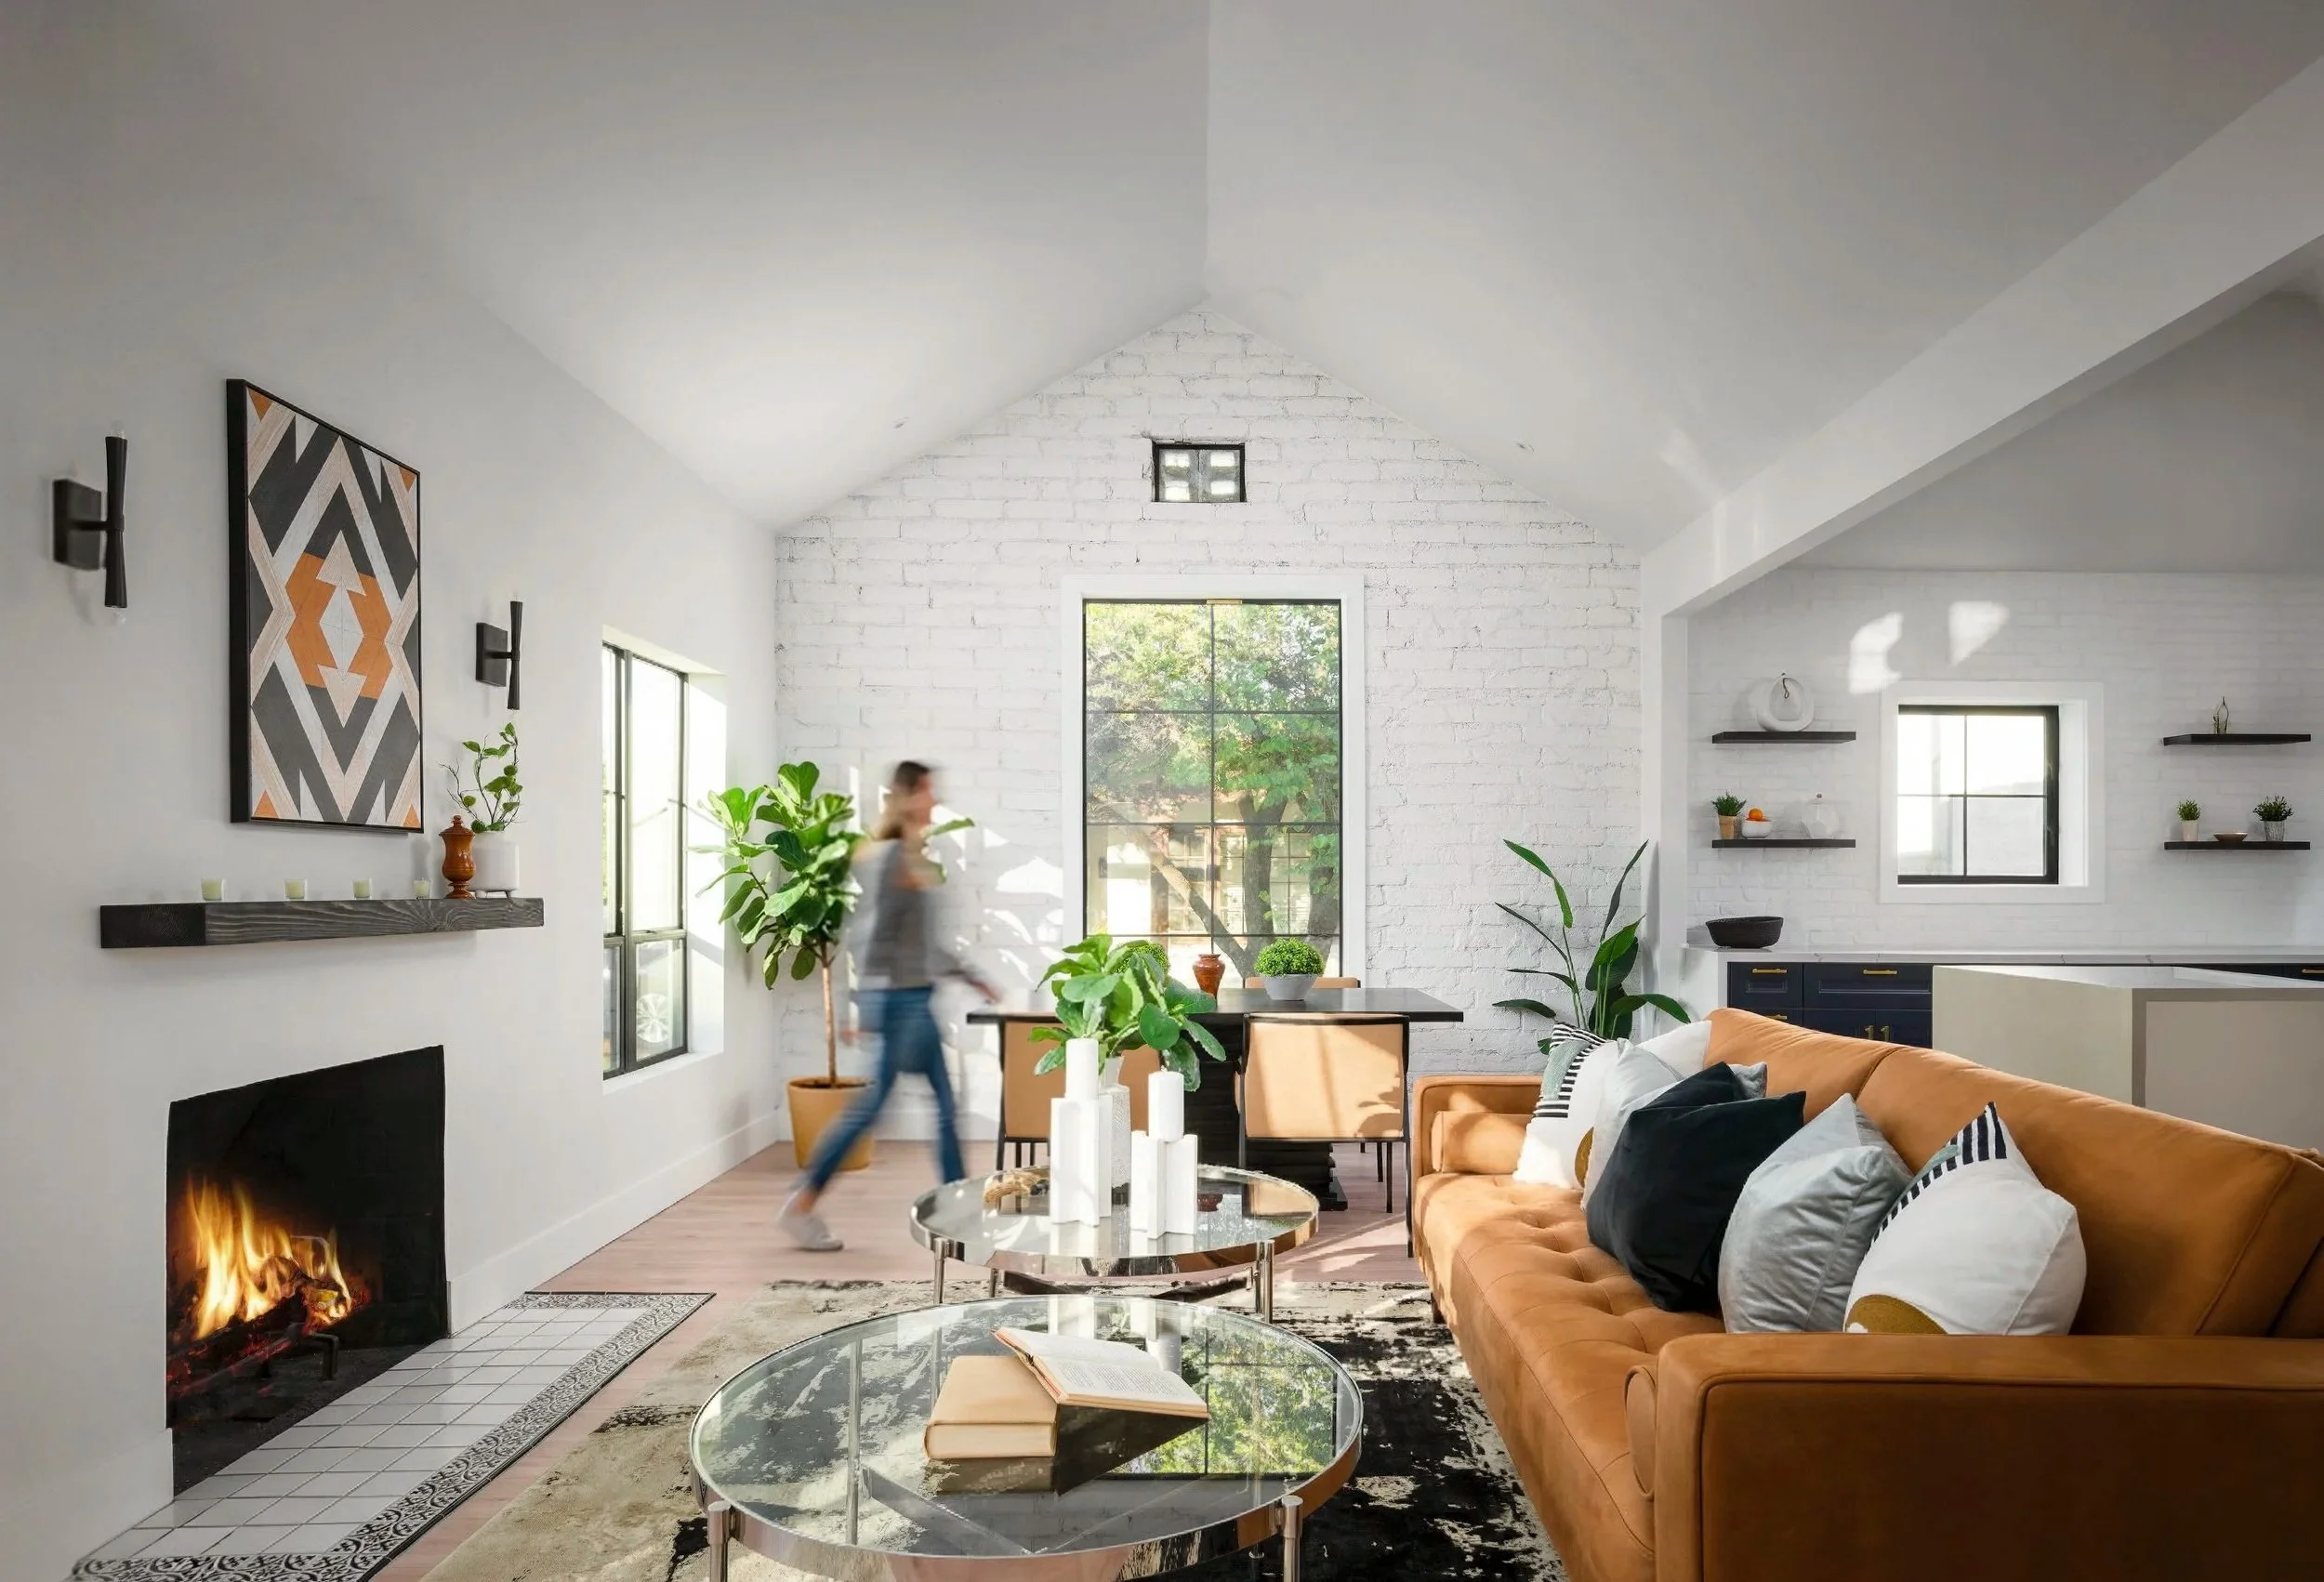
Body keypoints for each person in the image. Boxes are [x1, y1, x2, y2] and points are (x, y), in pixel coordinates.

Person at [778, 760, 995, 1252]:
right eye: (928, 792)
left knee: (921, 1108)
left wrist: (972, 976)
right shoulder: (890, 858)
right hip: (900, 1005)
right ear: (909, 796)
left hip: (914, 999)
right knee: (894, 1110)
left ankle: (956, 1211)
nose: (936, 801)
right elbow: (868, 937)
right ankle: (805, 1201)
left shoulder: (912, 856)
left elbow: (921, 946)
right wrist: (863, 1009)